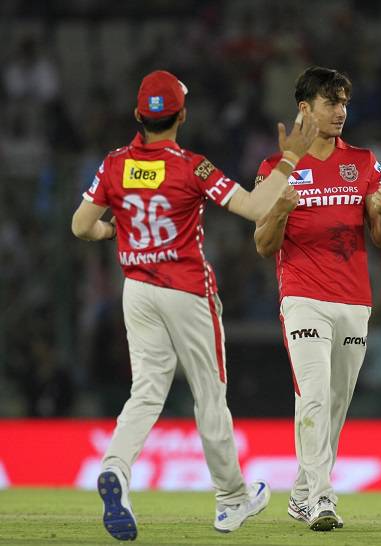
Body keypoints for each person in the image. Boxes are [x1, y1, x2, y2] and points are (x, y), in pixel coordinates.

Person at [71, 70, 317, 541]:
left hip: (137, 290)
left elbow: (82, 226)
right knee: (209, 394)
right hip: (187, 290)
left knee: (145, 392)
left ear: (137, 116)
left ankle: (117, 471)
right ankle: (230, 500)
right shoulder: (192, 167)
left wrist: (112, 231)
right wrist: (289, 160)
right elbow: (254, 207)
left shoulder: (114, 164)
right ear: (182, 115)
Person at [254, 66, 381, 532]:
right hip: (302, 297)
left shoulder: (363, 160)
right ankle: (321, 498)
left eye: (344, 103)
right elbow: (262, 244)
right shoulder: (276, 168)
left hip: (355, 301)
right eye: (330, 103)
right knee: (313, 394)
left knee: (334, 403)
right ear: (305, 108)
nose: (340, 112)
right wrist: (279, 209)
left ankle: (300, 493)